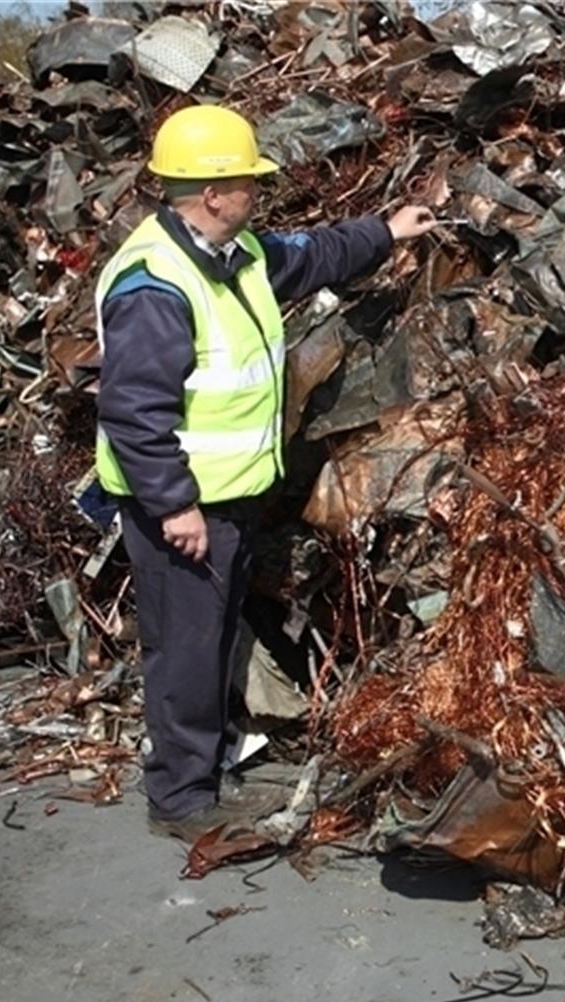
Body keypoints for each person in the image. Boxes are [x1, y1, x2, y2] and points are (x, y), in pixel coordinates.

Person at [95, 104, 437, 842]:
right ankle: (182, 803)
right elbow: (133, 414)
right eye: (249, 180)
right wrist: (174, 506)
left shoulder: (236, 251)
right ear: (213, 193)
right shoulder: (154, 286)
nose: (259, 191)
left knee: (212, 639)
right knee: (185, 650)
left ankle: (205, 765)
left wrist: (386, 231)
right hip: (183, 511)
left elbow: (312, 254)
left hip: (233, 498)